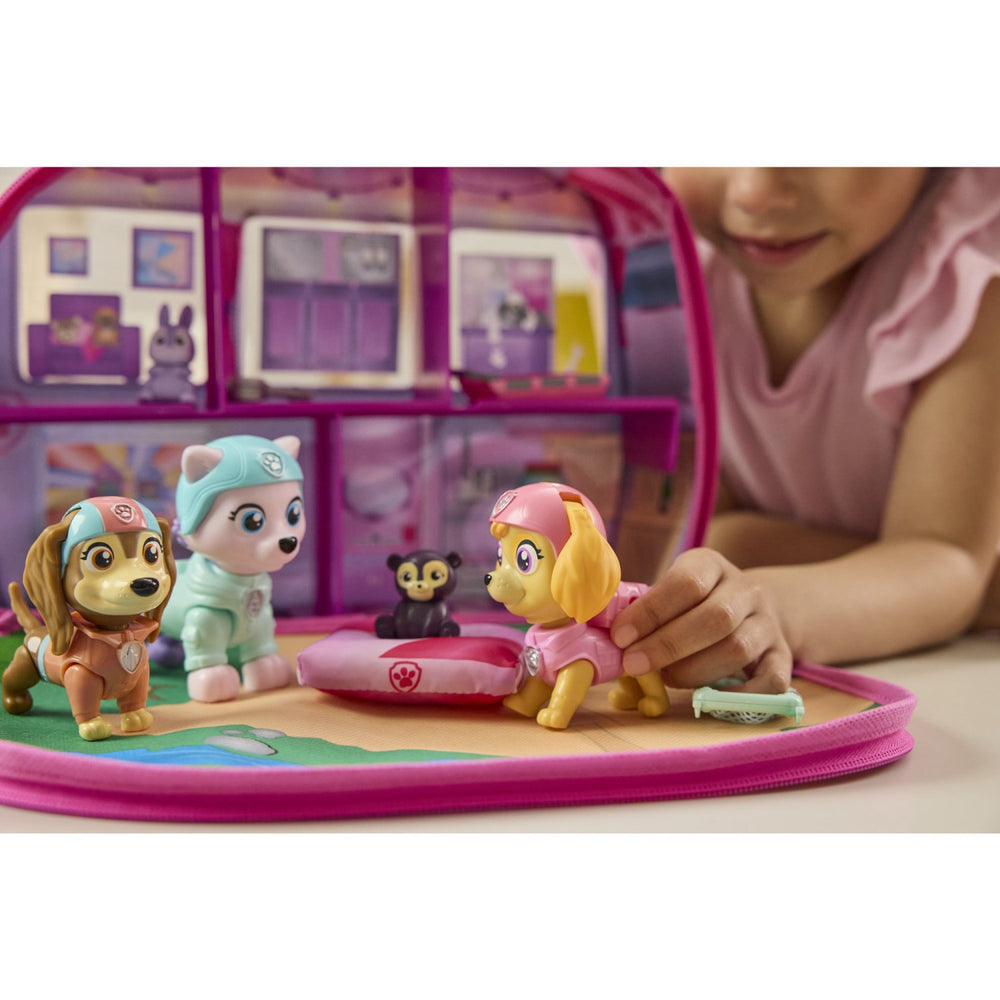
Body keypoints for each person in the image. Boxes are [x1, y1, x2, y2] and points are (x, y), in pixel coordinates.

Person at [611, 168, 1000, 693]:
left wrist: (776, 601)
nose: (754, 194)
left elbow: (945, 558)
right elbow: (702, 526)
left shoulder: (966, 275)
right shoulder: (674, 275)